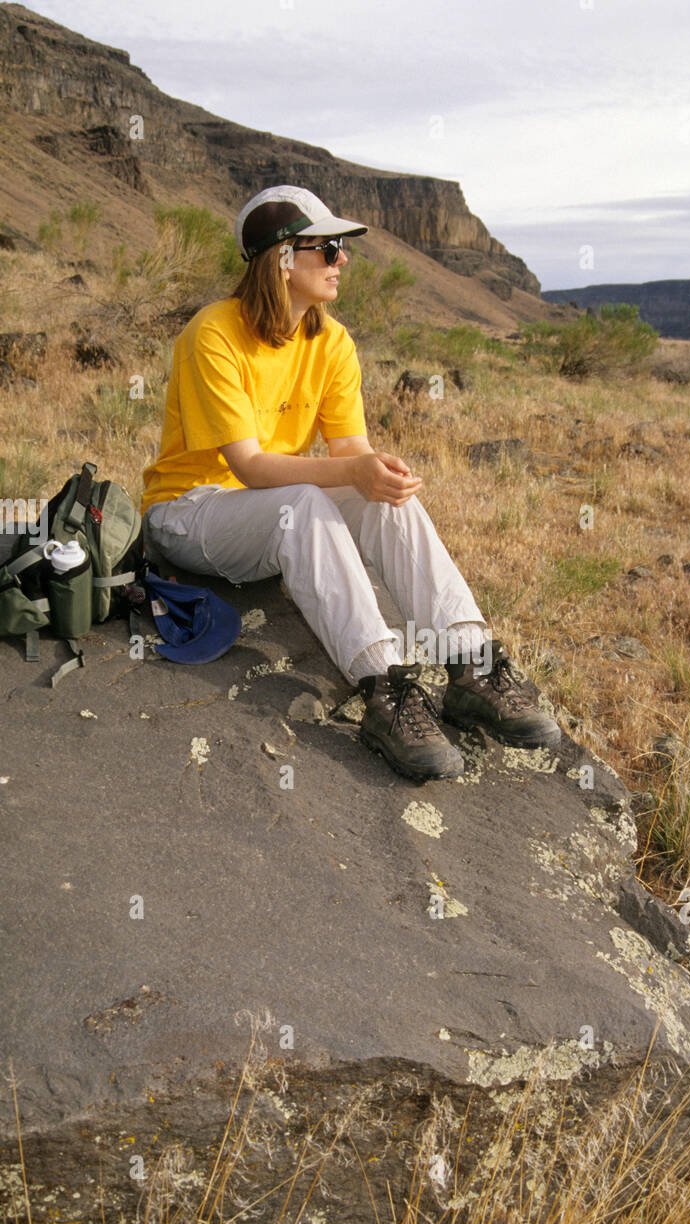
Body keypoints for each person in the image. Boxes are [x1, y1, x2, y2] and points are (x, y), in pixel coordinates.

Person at [140, 185, 560, 781]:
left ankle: (472, 666)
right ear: (283, 258)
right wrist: (351, 472)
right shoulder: (214, 333)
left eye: (341, 248)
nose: (343, 260)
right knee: (308, 505)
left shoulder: (331, 340)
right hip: (190, 512)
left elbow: (351, 454)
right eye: (328, 247)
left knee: (385, 492)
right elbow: (250, 467)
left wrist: (375, 473)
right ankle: (385, 689)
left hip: (267, 508)